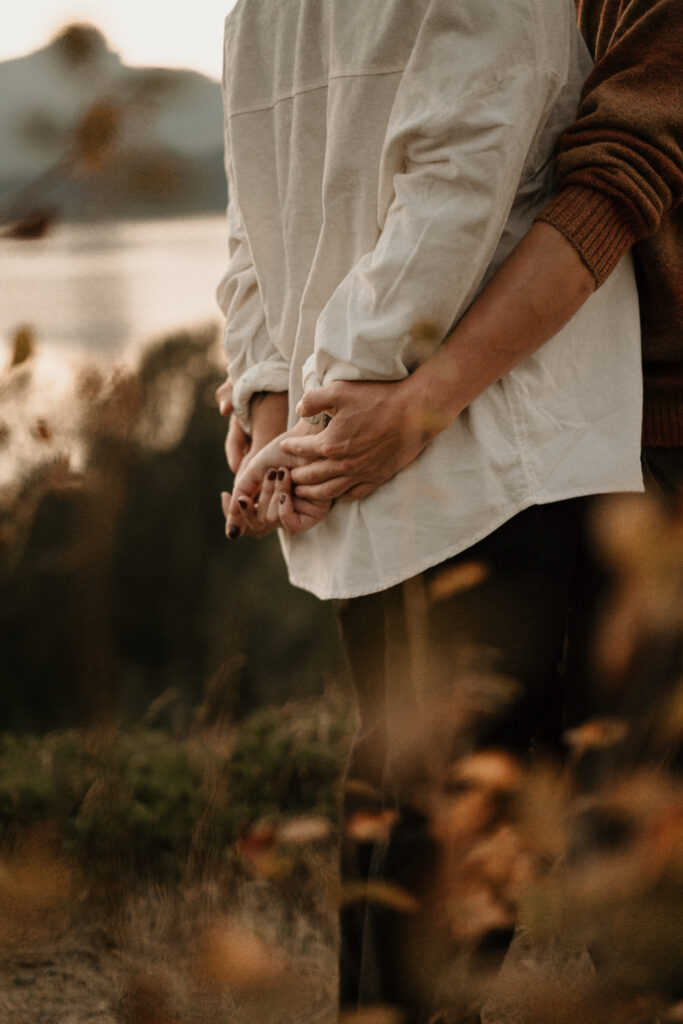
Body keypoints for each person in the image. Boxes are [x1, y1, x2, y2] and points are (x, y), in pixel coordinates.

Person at [216, 1, 643, 1020]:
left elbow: (251, 218)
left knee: (403, 771)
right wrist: (349, 406)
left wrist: (271, 389)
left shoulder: (252, 11)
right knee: (469, 796)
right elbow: (457, 186)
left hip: (367, 444)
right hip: (481, 447)